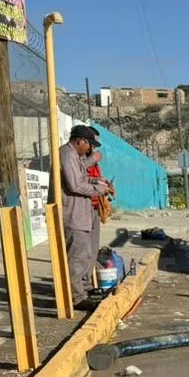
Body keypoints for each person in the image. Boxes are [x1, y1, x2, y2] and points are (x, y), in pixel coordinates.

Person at [60, 125, 112, 309]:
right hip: (73, 214)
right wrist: (99, 189)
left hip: (82, 213)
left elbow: (81, 178)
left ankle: (85, 289)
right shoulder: (67, 155)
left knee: (86, 254)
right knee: (77, 257)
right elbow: (75, 185)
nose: (90, 149)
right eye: (89, 144)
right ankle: (77, 297)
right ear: (80, 141)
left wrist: (96, 181)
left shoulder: (75, 156)